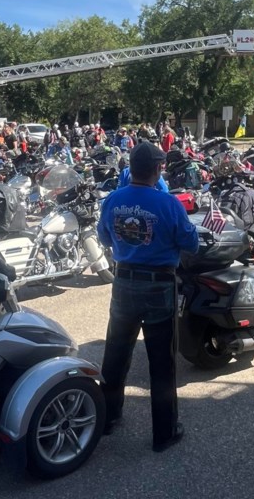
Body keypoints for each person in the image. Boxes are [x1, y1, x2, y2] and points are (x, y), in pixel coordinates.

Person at [97, 142, 199, 453]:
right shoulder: (168, 203)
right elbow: (191, 243)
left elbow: (104, 237)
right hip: (158, 286)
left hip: (124, 282)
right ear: (157, 169)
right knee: (161, 361)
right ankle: (163, 433)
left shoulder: (113, 199)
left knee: (115, 354)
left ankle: (108, 417)